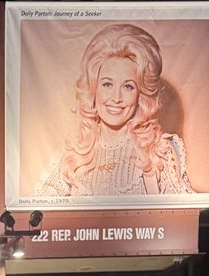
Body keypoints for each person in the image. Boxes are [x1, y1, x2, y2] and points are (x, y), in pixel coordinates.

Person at [35, 23, 194, 198]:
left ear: (140, 94)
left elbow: (182, 218)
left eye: (128, 86)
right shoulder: (71, 157)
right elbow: (35, 217)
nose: (116, 98)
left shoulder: (160, 151)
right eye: (107, 84)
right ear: (93, 89)